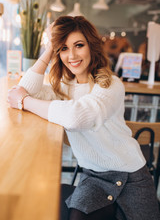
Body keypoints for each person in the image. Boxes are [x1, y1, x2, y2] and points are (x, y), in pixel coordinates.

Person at [8, 16, 160, 220]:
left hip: (131, 176)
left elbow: (78, 117)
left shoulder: (110, 85)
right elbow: (24, 89)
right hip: (94, 177)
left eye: (78, 45)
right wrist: (49, 50)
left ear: (91, 46)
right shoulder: (63, 87)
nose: (71, 55)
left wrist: (24, 101)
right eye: (63, 48)